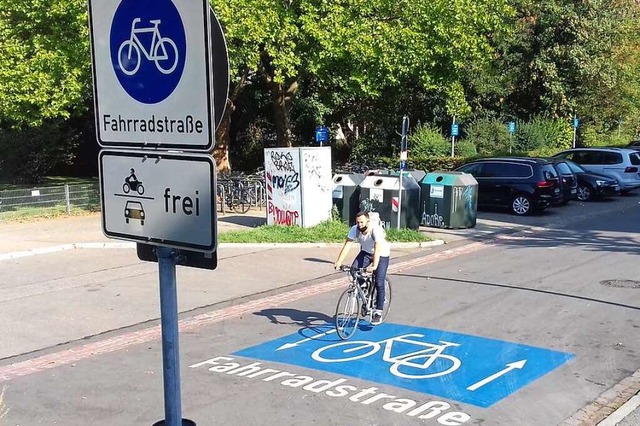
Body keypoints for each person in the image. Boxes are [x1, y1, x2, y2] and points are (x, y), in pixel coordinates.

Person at [334, 211, 391, 325]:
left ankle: (378, 312)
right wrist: (338, 262)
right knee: (353, 270)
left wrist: (374, 266)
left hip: (381, 254)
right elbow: (347, 245)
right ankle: (364, 285)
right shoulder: (355, 229)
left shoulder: (375, 230)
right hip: (365, 252)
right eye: (358, 222)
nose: (360, 225)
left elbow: (377, 249)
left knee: (379, 281)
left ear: (368, 221)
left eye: (362, 222)